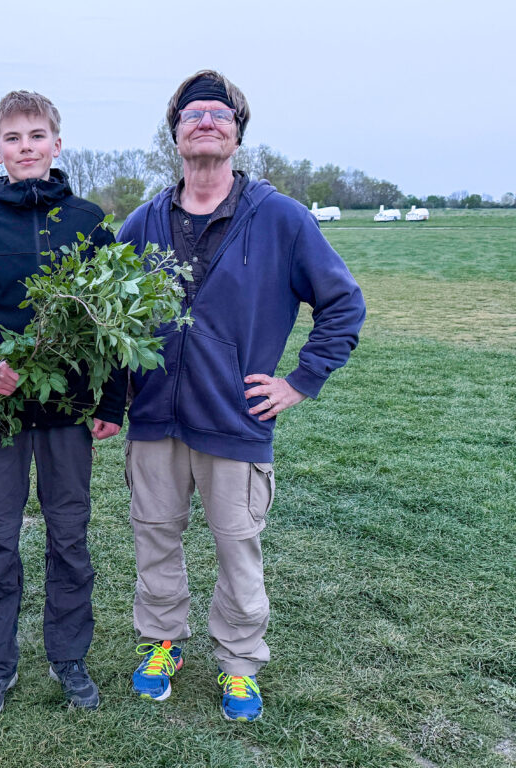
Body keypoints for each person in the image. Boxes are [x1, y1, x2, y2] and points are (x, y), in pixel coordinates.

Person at [118, 70, 365, 722]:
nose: (206, 121)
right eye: (192, 113)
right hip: (154, 420)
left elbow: (342, 304)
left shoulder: (280, 219)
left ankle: (239, 663)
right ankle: (162, 643)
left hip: (236, 420)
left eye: (219, 114)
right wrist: (111, 400)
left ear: (237, 132)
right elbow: (109, 319)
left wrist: (299, 381)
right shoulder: (143, 223)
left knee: (237, 548)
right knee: (155, 539)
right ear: (175, 133)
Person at [0, 91, 126, 719]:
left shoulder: (88, 221)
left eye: (37, 135)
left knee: (69, 539)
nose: (26, 147)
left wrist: (111, 402)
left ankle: (68, 657)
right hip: (0, 417)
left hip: (68, 414)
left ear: (57, 144)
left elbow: (112, 323)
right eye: (13, 138)